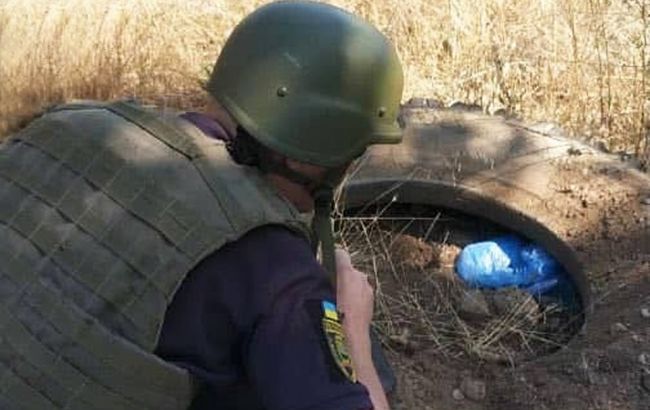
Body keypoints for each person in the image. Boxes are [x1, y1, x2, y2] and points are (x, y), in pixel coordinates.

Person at [0, 1, 403, 409]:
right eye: (353, 151)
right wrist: (353, 332)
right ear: (304, 156)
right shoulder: (272, 265)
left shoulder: (66, 124)